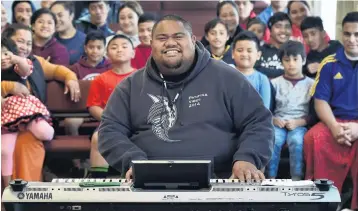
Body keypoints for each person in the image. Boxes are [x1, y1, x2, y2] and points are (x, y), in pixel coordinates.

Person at [98, 15, 274, 180]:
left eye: (178, 36)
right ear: (151, 44)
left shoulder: (227, 77)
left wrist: (247, 158)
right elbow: (109, 130)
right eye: (162, 38)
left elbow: (258, 121)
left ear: (193, 40)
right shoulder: (130, 86)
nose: (170, 43)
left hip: (220, 178)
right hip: (149, 180)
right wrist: (133, 161)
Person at [2, 24, 80, 181]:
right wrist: (8, 86)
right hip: (4, 122)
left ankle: (25, 196)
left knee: (28, 142)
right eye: (20, 41)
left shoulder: (34, 62)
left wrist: (71, 79)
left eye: (29, 43)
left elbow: (59, 70)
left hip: (28, 123)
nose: (24, 47)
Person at [304, 12, 358, 210]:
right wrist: (335, 127)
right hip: (333, 121)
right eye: (347, 34)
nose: (352, 39)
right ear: (341, 34)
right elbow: (320, 102)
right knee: (313, 138)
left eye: (357, 34)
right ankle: (323, 203)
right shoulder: (329, 63)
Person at [1, 37, 54, 187]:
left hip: (25, 112)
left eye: (6, 54)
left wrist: (15, 58)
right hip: (6, 118)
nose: (3, 58)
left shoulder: (18, 67)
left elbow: (25, 69)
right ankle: (6, 189)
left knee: (45, 132)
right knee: (4, 151)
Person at [87, 34, 136, 178]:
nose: (119, 50)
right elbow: (93, 106)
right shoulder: (100, 79)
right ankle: (97, 180)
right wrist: (112, 119)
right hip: (109, 123)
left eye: (124, 46)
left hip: (136, 122)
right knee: (97, 138)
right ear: (107, 54)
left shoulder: (142, 77)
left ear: (133, 52)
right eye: (114, 47)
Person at [266, 40, 314, 180]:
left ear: (303, 60)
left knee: (297, 142)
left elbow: (314, 113)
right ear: (281, 62)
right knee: (273, 141)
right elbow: (268, 108)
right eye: (287, 60)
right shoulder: (274, 83)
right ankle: (270, 179)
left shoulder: (311, 84)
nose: (291, 64)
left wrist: (300, 122)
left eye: (295, 59)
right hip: (278, 123)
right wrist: (274, 119)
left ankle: (297, 179)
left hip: (299, 124)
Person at [231, 31, 271, 109]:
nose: (244, 54)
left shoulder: (262, 79)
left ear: (258, 55)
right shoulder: (226, 75)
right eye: (240, 50)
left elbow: (264, 109)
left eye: (249, 51)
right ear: (232, 53)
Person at [255, 12, 292, 79]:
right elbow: (255, 71)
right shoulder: (260, 51)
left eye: (287, 27)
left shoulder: (295, 51)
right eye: (278, 26)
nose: (283, 30)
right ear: (270, 30)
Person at [50, 1, 86, 65]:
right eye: (53, 16)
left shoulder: (85, 40)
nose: (56, 20)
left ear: (71, 16)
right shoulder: (49, 40)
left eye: (60, 15)